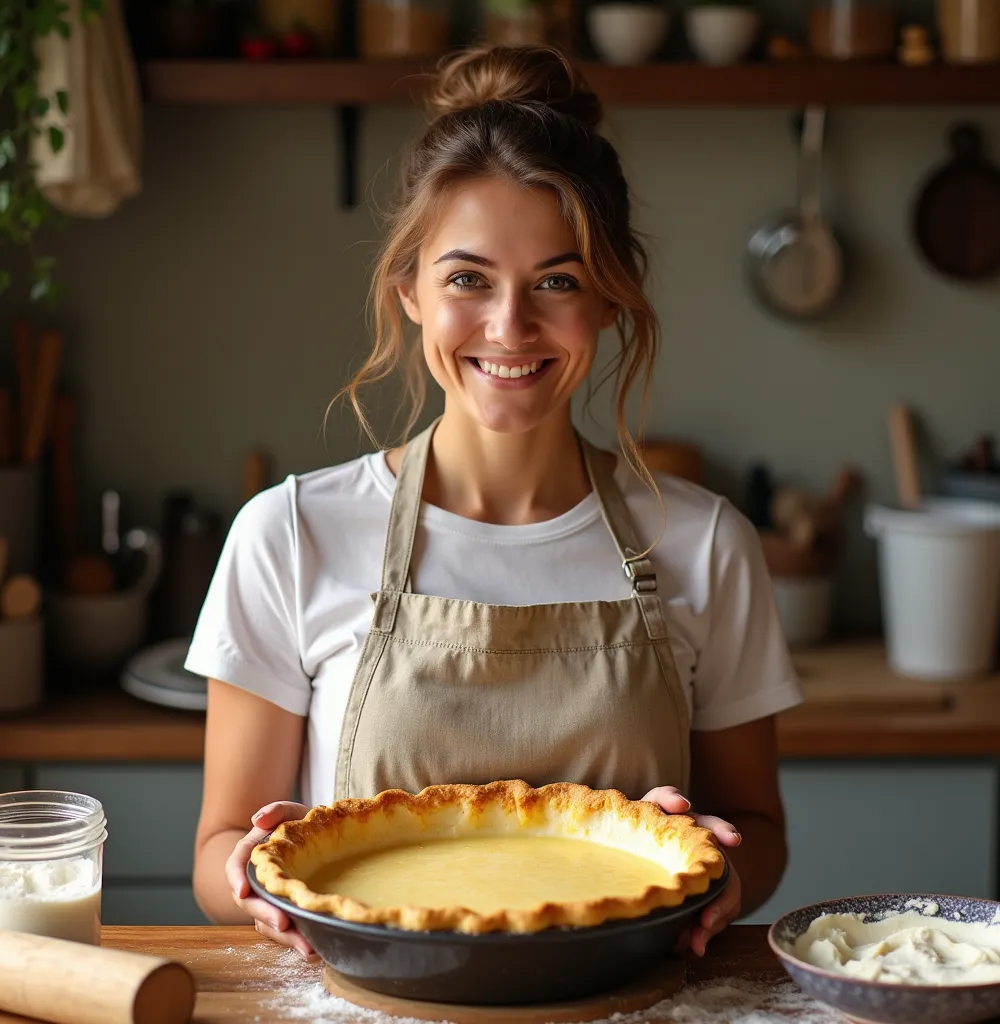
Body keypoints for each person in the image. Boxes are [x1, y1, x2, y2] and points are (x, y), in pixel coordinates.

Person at [186, 44, 803, 962]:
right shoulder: (289, 534)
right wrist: (250, 867)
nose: (509, 328)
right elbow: (216, 849)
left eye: (557, 281)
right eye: (467, 279)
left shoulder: (706, 543)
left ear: (607, 302)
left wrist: (721, 867)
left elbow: (759, 823)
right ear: (411, 295)